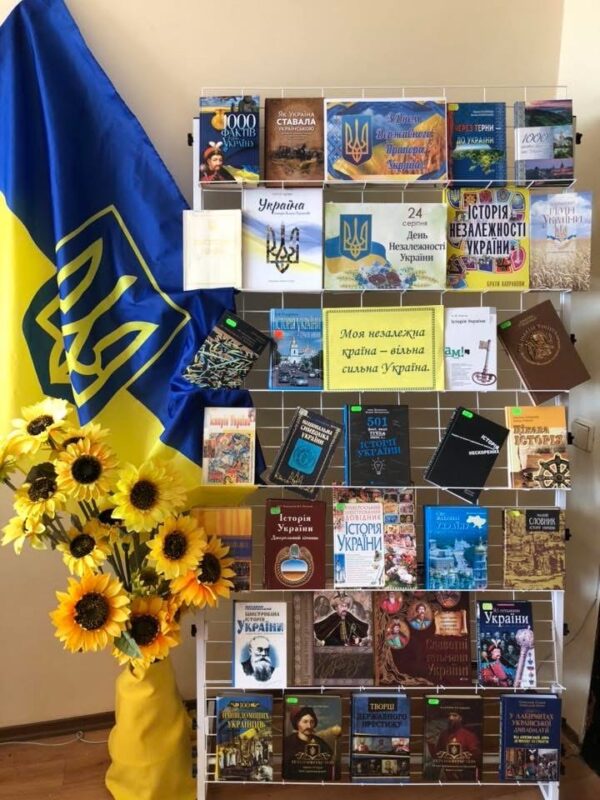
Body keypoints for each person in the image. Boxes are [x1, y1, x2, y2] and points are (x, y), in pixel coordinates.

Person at [427, 709, 482, 780]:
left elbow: (476, 756)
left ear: (460, 718)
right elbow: (437, 756)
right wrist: (431, 745)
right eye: (449, 715)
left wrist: (462, 759)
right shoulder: (444, 734)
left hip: (463, 775)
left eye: (454, 715)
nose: (450, 718)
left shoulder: (469, 736)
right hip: (446, 775)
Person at [282, 706, 333, 777]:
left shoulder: (321, 744)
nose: (309, 726)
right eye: (305, 722)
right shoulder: (287, 743)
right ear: (297, 723)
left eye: (312, 722)